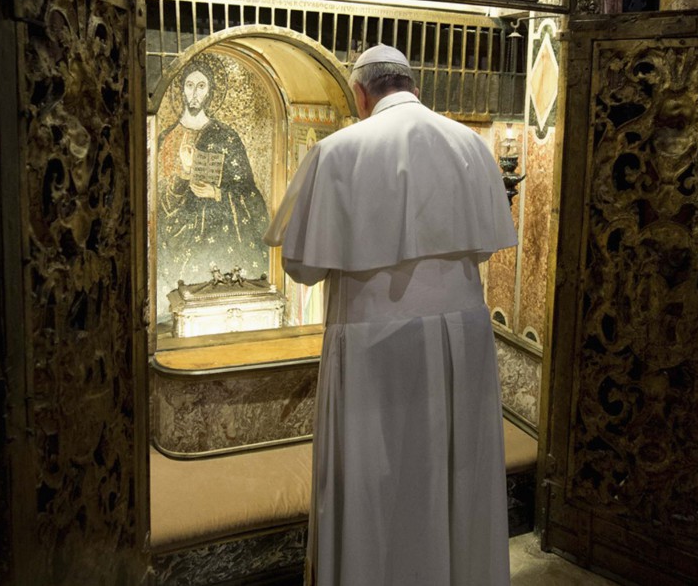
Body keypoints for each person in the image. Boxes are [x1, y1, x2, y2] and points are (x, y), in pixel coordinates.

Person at [264, 45, 517, 586]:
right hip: (463, 341)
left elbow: (302, 267)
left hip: (373, 348)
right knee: (455, 476)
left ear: (360, 93)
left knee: (377, 484)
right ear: (412, 83)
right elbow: (483, 247)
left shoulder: (337, 151)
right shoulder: (470, 144)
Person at [156, 57, 269, 320]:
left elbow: (251, 195)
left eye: (201, 86)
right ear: (180, 89)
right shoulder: (167, 137)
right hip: (180, 240)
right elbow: (161, 203)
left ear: (210, 92)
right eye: (189, 85)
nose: (194, 94)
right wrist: (184, 174)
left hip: (220, 235)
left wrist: (218, 193)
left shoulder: (226, 136)